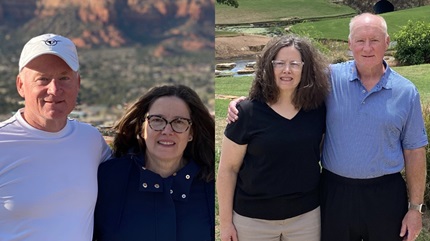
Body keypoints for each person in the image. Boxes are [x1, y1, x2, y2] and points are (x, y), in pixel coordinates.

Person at [227, 13, 428, 241]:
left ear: (387, 42)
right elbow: (289, 82)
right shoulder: (330, 78)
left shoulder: (406, 91)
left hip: (385, 194)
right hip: (335, 192)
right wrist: (246, 102)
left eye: (375, 40)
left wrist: (415, 209)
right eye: (360, 40)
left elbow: (414, 151)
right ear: (350, 43)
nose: (367, 47)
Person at [217, 34, 330, 241]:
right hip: (252, 221)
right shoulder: (247, 113)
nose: (287, 70)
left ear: (306, 68)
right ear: (269, 67)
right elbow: (227, 169)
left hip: (306, 219)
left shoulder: (318, 110)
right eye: (280, 63)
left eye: (295, 64)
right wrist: (225, 224)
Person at [0, 33, 111, 240]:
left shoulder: (91, 140)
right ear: (21, 85)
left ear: (78, 83)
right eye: (42, 79)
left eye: (64, 78)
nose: (54, 89)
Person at [93, 84, 215, 241]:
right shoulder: (108, 179)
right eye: (157, 120)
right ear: (141, 128)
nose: (167, 131)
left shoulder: (210, 183)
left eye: (179, 122)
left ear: (191, 133)